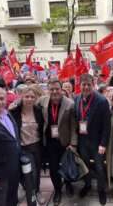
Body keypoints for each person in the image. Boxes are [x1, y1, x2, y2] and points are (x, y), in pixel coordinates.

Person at [37, 78, 77, 206]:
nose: (54, 91)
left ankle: (69, 184)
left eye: (57, 89)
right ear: (48, 90)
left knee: (67, 165)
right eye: (52, 89)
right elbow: (28, 100)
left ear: (61, 90)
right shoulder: (42, 101)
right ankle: (58, 190)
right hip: (49, 142)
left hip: (65, 142)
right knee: (53, 169)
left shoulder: (70, 104)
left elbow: (74, 126)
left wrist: (73, 143)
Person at [74, 74, 111, 205]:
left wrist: (103, 143)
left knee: (100, 168)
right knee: (85, 166)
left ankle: (101, 190)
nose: (86, 87)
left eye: (89, 84)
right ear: (80, 85)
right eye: (83, 84)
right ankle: (88, 184)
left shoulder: (101, 101)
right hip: (82, 141)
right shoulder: (76, 99)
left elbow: (107, 125)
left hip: (97, 142)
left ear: (93, 84)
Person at [9, 85, 45, 204]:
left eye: (32, 97)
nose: (29, 99)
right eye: (27, 96)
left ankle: (36, 190)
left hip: (37, 146)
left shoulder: (38, 111)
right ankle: (32, 192)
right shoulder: (14, 111)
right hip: (23, 148)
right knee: (31, 172)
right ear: (21, 97)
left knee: (37, 170)